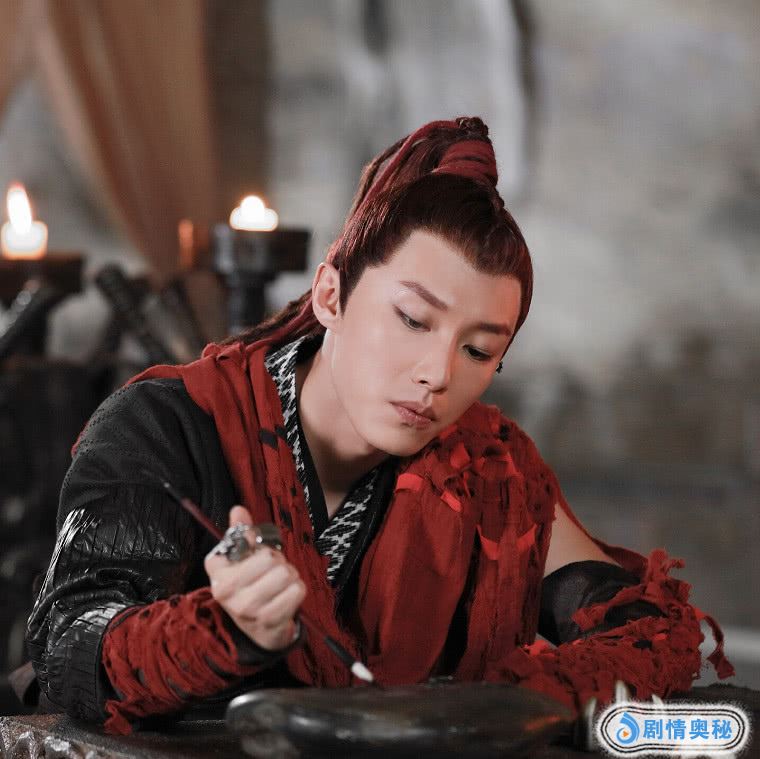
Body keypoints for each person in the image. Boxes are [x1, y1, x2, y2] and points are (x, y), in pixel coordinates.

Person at [27, 117, 733, 735]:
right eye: (413, 320)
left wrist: (516, 705)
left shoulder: (493, 472)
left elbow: (648, 628)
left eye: (478, 350)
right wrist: (223, 629)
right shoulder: (164, 428)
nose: (438, 373)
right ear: (331, 294)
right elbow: (68, 647)